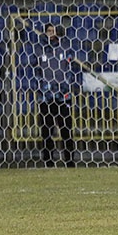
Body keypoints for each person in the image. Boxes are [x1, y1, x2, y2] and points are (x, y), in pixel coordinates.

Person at [36, 23, 79, 168]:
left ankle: (70, 161)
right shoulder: (39, 50)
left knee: (66, 130)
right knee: (47, 131)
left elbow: (71, 70)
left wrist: (67, 87)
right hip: (45, 97)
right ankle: (48, 162)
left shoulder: (65, 49)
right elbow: (35, 71)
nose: (50, 33)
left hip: (62, 95)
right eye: (48, 31)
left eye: (53, 31)